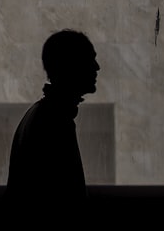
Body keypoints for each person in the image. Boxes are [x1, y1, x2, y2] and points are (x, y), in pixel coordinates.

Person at [5, 28, 100, 203]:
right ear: (70, 66)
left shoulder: (43, 114)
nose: (97, 67)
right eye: (89, 59)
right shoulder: (54, 120)